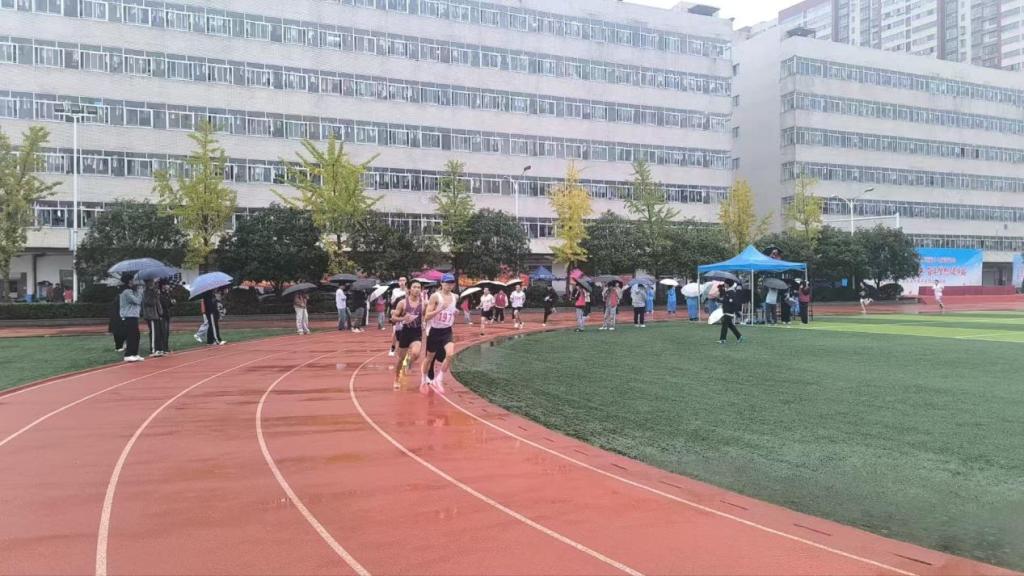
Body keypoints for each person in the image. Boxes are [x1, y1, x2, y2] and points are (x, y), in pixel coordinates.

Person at [421, 273, 458, 394]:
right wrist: (439, 309)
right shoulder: (435, 297)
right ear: (442, 283)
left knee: (450, 354)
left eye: (451, 283)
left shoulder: (455, 297)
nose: (449, 285)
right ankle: (423, 378)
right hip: (434, 331)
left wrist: (455, 311)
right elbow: (426, 316)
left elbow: (451, 311)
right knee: (429, 358)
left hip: (447, 330)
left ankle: (439, 378)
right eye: (447, 283)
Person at [391, 280, 425, 390]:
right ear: (409, 289)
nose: (417, 289)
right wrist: (403, 318)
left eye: (419, 287)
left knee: (416, 353)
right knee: (400, 359)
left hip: (417, 331)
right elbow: (393, 318)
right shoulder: (403, 303)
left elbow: (427, 315)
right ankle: (396, 378)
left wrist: (425, 322)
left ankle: (409, 363)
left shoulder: (423, 304)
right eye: (414, 287)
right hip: (405, 332)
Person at [119, 275, 144, 362]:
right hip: (128, 316)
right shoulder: (126, 292)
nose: (134, 281)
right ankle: (128, 354)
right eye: (133, 280)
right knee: (131, 336)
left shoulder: (132, 291)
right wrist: (140, 292)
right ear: (129, 281)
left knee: (136, 335)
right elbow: (137, 301)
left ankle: (134, 353)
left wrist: (137, 291)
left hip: (133, 316)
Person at [141, 279, 165, 357]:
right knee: (154, 333)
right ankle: (154, 349)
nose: (153, 284)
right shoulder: (146, 292)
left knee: (158, 332)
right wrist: (155, 295)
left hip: (156, 315)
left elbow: (158, 303)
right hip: (151, 315)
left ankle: (159, 348)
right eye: (152, 282)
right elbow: (149, 302)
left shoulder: (153, 291)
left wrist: (160, 312)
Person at [388, 277, 408, 356]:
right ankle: (393, 347)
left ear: (406, 282)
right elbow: (392, 302)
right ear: (398, 282)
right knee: (395, 332)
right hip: (396, 313)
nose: (402, 282)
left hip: (405, 314)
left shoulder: (409, 291)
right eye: (400, 281)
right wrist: (392, 310)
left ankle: (404, 349)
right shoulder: (395, 291)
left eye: (403, 280)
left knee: (405, 332)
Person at [158, 280, 175, 354]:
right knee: (163, 332)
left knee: (166, 332)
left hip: (167, 315)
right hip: (162, 315)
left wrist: (172, 303)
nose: (168, 286)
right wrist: (170, 302)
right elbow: (164, 304)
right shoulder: (160, 294)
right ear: (163, 286)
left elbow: (168, 304)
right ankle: (163, 348)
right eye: (167, 285)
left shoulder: (166, 293)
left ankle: (166, 348)